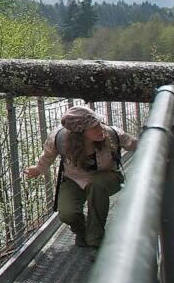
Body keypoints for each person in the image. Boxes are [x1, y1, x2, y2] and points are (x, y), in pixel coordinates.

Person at [25, 105, 138, 249]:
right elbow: (47, 156)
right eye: (94, 127)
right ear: (80, 132)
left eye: (99, 123)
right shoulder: (59, 139)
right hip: (74, 179)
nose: (100, 128)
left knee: (96, 185)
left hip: (108, 177)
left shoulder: (111, 133)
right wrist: (38, 169)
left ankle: (95, 240)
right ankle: (83, 230)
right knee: (67, 213)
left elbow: (136, 144)